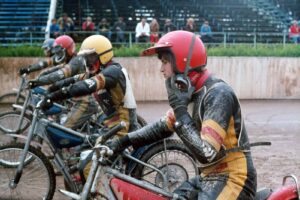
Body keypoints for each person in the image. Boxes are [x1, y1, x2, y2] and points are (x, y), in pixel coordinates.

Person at [105, 30, 257, 200]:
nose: (161, 69)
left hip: (235, 178)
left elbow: (206, 154)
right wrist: (121, 142)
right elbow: (161, 128)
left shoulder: (217, 94)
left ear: (183, 62)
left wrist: (180, 110)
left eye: (165, 62)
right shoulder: (191, 93)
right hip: (208, 177)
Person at [41, 35, 139, 136]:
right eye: (86, 58)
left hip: (121, 129)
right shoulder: (98, 71)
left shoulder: (113, 71)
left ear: (103, 55)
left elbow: (84, 86)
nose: (88, 61)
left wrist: (53, 97)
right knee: (81, 148)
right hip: (110, 126)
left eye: (91, 57)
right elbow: (72, 80)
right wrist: (51, 89)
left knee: (85, 151)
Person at [28, 35, 98, 130]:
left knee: (64, 131)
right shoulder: (69, 61)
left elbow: (59, 75)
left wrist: (38, 81)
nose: (58, 55)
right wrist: (51, 85)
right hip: (74, 94)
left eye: (60, 52)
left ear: (67, 50)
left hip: (84, 98)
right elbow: (59, 74)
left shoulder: (76, 61)